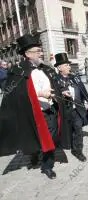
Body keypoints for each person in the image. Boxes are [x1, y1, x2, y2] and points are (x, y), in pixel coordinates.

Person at [0, 34, 71, 179]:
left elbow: (55, 83)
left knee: (49, 138)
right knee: (33, 137)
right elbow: (15, 95)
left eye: (40, 50)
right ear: (27, 54)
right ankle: (33, 154)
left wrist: (62, 91)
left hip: (49, 111)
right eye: (37, 50)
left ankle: (47, 165)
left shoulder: (45, 68)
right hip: (31, 113)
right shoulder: (18, 71)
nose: (41, 53)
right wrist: (40, 93)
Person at [55, 53, 88, 162]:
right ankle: (69, 144)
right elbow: (54, 94)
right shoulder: (55, 80)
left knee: (78, 130)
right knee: (68, 131)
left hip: (77, 110)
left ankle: (78, 151)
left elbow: (82, 91)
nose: (69, 67)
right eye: (66, 65)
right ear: (59, 68)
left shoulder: (74, 77)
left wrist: (85, 101)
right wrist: (62, 93)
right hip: (64, 111)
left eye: (69, 65)